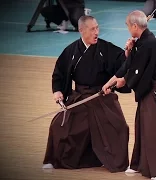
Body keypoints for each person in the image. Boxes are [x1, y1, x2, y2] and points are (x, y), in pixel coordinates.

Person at [42, 15, 131, 172]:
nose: (96, 32)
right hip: (81, 97)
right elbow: (59, 72)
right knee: (59, 126)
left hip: (102, 96)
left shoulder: (106, 48)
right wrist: (57, 91)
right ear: (81, 30)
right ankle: (55, 159)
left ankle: (118, 163)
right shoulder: (71, 51)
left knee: (120, 127)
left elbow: (122, 63)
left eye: (97, 28)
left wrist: (128, 53)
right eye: (92, 29)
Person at [103, 10, 156, 180]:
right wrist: (129, 54)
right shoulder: (141, 42)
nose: (126, 28)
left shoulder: (149, 44)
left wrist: (124, 82)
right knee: (143, 127)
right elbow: (133, 65)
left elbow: (140, 73)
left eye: (127, 25)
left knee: (155, 129)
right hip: (149, 90)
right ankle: (140, 164)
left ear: (134, 26)